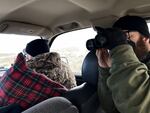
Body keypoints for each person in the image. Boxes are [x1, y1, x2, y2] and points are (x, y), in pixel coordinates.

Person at [96, 15, 150, 113]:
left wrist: (120, 49)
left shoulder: (123, 61)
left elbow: (141, 107)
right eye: (118, 37)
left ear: (145, 38)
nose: (122, 42)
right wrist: (105, 70)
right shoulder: (120, 65)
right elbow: (109, 107)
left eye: (125, 36)